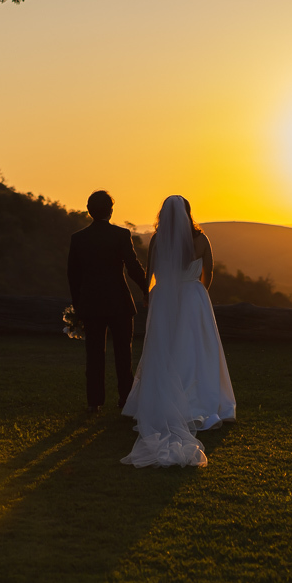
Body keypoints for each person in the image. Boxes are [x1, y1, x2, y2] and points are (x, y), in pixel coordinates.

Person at [121, 195, 236, 467]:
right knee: (197, 348)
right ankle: (201, 400)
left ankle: (163, 400)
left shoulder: (159, 240)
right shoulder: (201, 240)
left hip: (165, 298)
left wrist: (152, 296)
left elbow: (151, 273)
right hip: (194, 298)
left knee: (166, 348)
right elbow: (209, 273)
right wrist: (197, 292)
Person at [67, 190, 149, 412]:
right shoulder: (121, 235)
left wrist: (78, 305)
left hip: (91, 304)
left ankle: (94, 402)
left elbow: (73, 276)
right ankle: (125, 401)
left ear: (89, 211)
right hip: (119, 303)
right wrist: (147, 290)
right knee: (124, 353)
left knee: (94, 354)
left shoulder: (78, 239)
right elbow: (133, 267)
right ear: (110, 211)